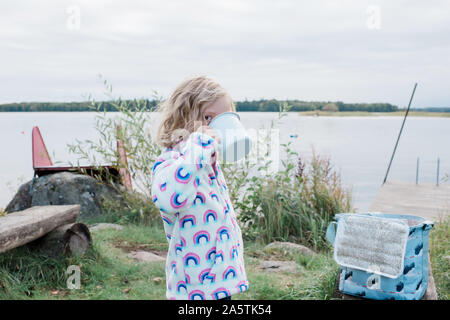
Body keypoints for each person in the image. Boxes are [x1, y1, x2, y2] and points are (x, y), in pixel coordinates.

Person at [151, 76, 249, 300]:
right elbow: (168, 198)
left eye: (223, 119)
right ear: (182, 117)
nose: (215, 126)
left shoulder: (206, 164)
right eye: (207, 118)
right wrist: (198, 145)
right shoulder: (172, 160)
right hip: (194, 285)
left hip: (220, 278)